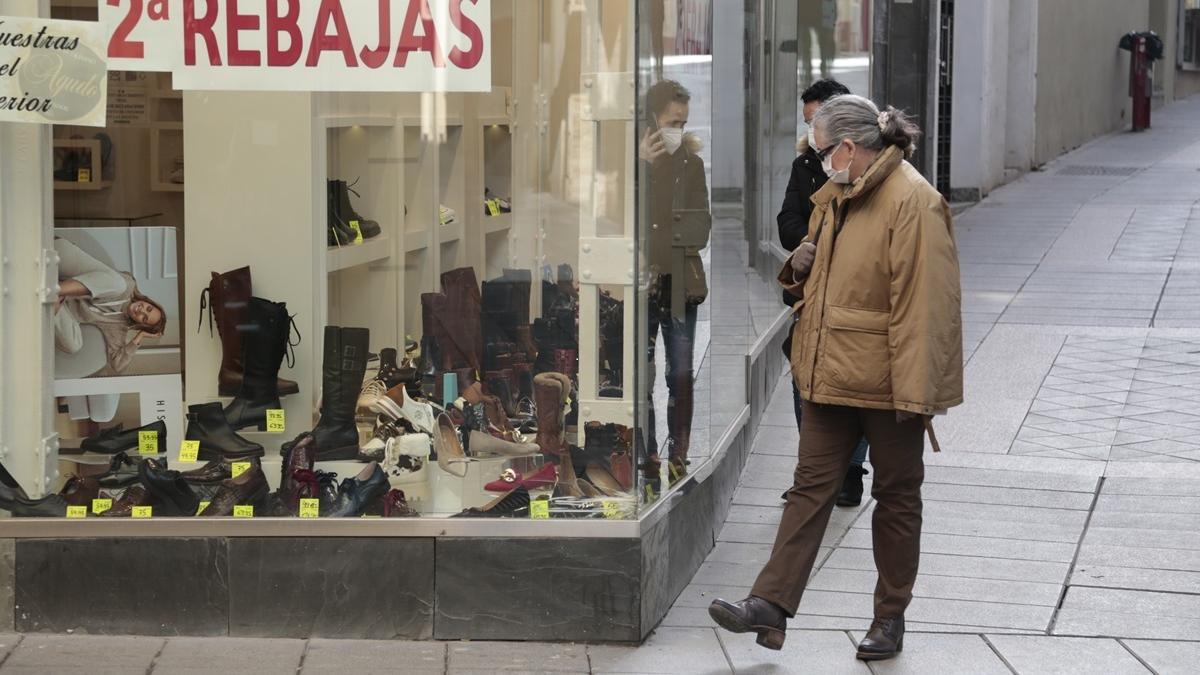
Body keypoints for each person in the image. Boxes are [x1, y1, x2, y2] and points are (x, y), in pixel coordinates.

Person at [709, 95, 962, 662]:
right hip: (828, 374)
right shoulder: (836, 197)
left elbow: (927, 307)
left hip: (890, 384)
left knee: (896, 497)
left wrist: (918, 395)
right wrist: (799, 266)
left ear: (848, 147)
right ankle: (769, 606)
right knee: (809, 488)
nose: (817, 160)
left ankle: (889, 617)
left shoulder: (913, 202)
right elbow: (828, 287)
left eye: (821, 150)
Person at [778, 79, 870, 508]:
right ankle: (814, 470)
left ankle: (850, 472)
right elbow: (786, 221)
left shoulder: (869, 175)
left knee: (848, 389)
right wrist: (807, 245)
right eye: (807, 123)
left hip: (852, 303)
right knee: (804, 382)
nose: (812, 134)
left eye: (817, 122)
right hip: (810, 293)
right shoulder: (806, 166)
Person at [638, 79, 712, 484]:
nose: (678, 130)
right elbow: (625, 221)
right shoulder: (635, 167)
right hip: (643, 283)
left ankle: (678, 455)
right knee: (642, 373)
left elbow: (701, 227)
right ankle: (648, 457)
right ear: (653, 119)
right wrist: (643, 173)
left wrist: (660, 234)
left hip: (681, 282)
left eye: (683, 122)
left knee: (680, 373)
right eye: (672, 121)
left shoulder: (692, 164)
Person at [54, 237, 167, 375]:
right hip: (64, 265)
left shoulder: (118, 327)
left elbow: (118, 366)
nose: (141, 310)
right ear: (149, 302)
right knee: (119, 285)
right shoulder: (129, 285)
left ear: (140, 324)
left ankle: (52, 295)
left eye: (144, 318)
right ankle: (55, 290)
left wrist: (140, 336)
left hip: (61, 305)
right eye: (148, 308)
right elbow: (108, 279)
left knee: (74, 346)